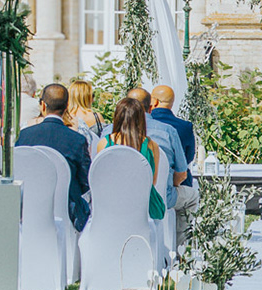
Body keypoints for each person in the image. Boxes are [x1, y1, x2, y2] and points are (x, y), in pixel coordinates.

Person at [18, 82, 92, 230]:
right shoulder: (77, 140)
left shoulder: (24, 136)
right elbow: (86, 181)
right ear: (67, 106)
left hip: (29, 209)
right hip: (67, 211)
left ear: (42, 105)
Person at [97, 96, 166, 222]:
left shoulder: (104, 143)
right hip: (144, 207)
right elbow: (153, 180)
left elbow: (100, 178)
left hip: (112, 205)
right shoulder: (151, 145)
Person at [126, 87, 188, 212]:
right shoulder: (167, 132)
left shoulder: (108, 133)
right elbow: (182, 173)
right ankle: (179, 226)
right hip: (160, 197)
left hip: (120, 197)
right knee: (191, 197)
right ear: (150, 108)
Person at [149, 84, 198, 210]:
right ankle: (182, 224)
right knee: (191, 194)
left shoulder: (141, 124)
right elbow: (188, 159)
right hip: (172, 186)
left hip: (142, 183)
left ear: (154, 101)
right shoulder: (184, 127)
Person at [65, 79, 107, 146]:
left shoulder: (65, 118)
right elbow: (104, 140)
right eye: (92, 95)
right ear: (87, 97)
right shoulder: (97, 117)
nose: (93, 100)